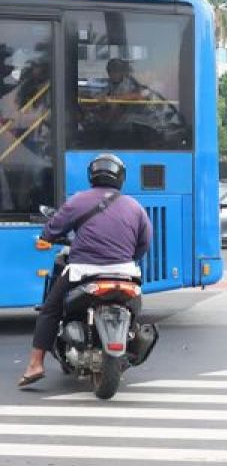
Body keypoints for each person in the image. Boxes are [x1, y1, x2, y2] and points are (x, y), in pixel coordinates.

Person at [18, 154, 151, 387]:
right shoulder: (135, 206)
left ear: (92, 175)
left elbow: (51, 231)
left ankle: (35, 364)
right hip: (126, 273)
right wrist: (126, 260)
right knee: (134, 311)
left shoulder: (79, 200)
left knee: (50, 308)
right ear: (120, 177)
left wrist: (48, 235)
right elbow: (144, 244)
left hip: (84, 271)